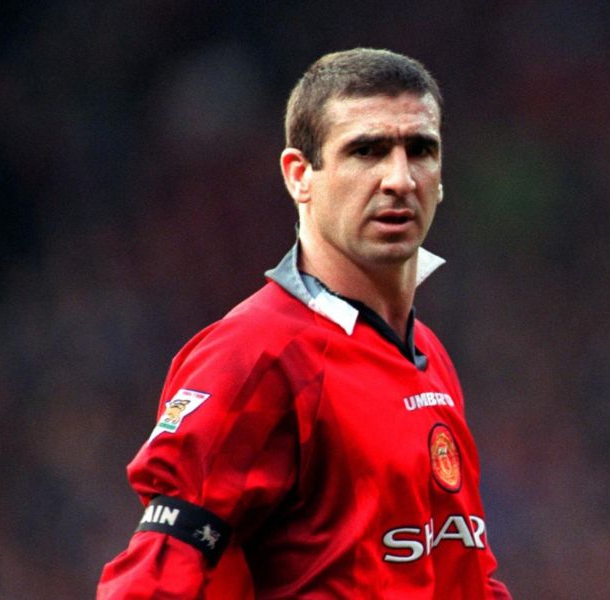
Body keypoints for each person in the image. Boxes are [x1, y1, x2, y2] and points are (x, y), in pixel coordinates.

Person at [97, 48, 511, 599]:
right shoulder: (254, 355)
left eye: (420, 150)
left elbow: (465, 578)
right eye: (366, 151)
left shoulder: (427, 355)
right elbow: (153, 581)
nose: (399, 178)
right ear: (299, 176)